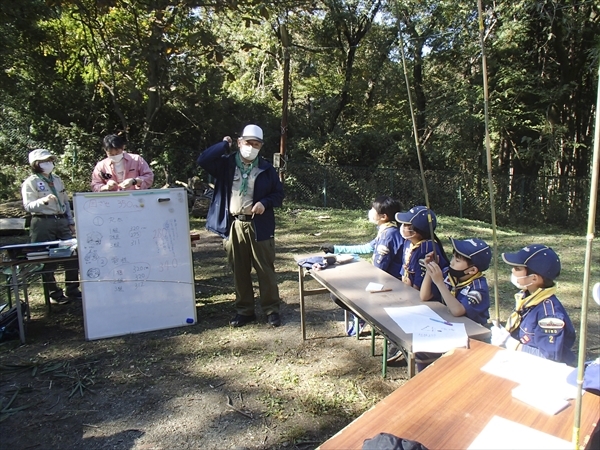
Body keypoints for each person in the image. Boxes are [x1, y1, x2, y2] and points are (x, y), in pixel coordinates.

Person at [197, 124, 284, 327]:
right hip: (234, 224)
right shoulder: (226, 165)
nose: (251, 148)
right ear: (239, 142)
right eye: (247, 143)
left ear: (261, 147)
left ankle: (271, 309)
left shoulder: (266, 168)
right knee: (239, 269)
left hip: (259, 225)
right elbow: (203, 160)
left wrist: (264, 202)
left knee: (265, 269)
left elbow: (278, 194)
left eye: (256, 144)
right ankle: (244, 310)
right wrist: (224, 144)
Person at [320, 195, 404, 336]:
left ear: (383, 216)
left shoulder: (388, 235)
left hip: (389, 284)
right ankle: (363, 314)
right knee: (339, 292)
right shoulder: (386, 230)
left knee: (339, 295)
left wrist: (358, 278)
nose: (370, 211)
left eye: (373, 209)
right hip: (382, 280)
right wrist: (336, 249)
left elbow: (379, 270)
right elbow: (366, 248)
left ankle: (365, 316)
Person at [491, 244, 576, 365]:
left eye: (517, 268)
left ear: (534, 279)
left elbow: (548, 359)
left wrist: (511, 344)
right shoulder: (527, 297)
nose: (512, 271)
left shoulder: (549, 315)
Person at [417, 238, 492, 371]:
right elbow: (424, 296)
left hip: (471, 336)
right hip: (449, 327)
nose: (451, 262)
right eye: (453, 257)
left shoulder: (478, 288)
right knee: (421, 349)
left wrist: (439, 283)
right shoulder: (448, 274)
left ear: (472, 270)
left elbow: (457, 311)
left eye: (457, 260)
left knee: (435, 357)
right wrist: (430, 271)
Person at [21, 149, 81, 304]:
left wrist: (70, 221)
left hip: (61, 220)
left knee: (73, 254)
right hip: (42, 221)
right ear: (36, 164)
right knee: (46, 259)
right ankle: (55, 293)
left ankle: (73, 289)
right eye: (44, 161)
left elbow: (65, 202)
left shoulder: (57, 179)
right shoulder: (31, 182)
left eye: (50, 160)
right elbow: (28, 206)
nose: (49, 163)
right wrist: (43, 201)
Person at [395, 206, 449, 290]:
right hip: (408, 288)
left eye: (406, 224)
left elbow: (419, 284)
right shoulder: (408, 242)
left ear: (415, 232)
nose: (402, 226)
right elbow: (405, 267)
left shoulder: (427, 250)